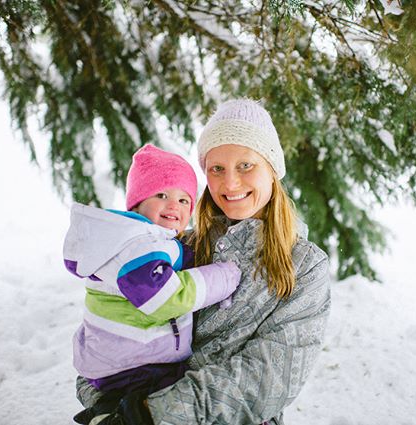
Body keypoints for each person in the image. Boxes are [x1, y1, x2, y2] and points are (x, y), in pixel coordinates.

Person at [75, 99, 331, 425]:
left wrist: (148, 413)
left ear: (272, 169)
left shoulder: (304, 266)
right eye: (217, 169)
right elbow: (106, 334)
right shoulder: (177, 248)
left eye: (246, 165)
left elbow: (268, 377)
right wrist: (104, 405)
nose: (230, 183)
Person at [63, 144, 242, 423]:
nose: (174, 205)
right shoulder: (136, 245)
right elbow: (162, 297)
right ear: (136, 203)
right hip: (135, 367)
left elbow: (169, 263)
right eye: (162, 195)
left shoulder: (141, 242)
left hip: (123, 360)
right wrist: (224, 277)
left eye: (184, 200)